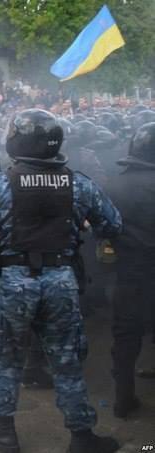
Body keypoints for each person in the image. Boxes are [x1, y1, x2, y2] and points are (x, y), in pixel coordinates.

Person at [0, 109, 122, 453]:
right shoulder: (78, 183)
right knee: (66, 360)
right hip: (62, 282)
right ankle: (81, 436)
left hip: (11, 284)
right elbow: (113, 224)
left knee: (4, 357)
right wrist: (82, 225)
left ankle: (4, 431)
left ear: (15, 141)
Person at [109, 122, 155, 418]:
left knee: (126, 337)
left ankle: (123, 398)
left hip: (130, 273)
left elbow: (101, 226)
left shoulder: (114, 183)